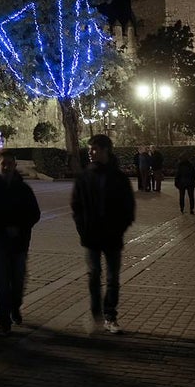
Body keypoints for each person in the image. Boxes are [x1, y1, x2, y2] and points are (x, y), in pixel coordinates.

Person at [71, 134, 136, 335]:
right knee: (93, 276)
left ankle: (110, 316)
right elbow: (76, 206)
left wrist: (120, 228)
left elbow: (128, 207)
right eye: (90, 149)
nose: (90, 153)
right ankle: (95, 312)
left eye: (95, 149)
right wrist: (82, 228)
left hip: (112, 236)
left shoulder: (118, 178)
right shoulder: (84, 177)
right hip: (91, 236)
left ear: (106, 150)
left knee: (112, 278)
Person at [0, 150, 41, 337]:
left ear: (14, 165)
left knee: (18, 280)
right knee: (2, 282)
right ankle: (3, 320)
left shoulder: (23, 189)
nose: (6, 167)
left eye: (10, 163)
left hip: (19, 243)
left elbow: (34, 213)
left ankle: (15, 306)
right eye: (3, 163)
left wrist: (20, 227)